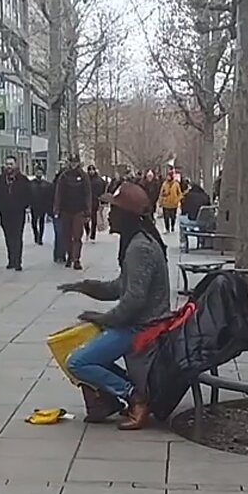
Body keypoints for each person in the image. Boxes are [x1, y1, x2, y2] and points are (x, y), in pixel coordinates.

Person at [59, 182, 170, 431]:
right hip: (137, 324)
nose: (108, 214)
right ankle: (114, 397)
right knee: (88, 352)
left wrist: (104, 319)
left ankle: (135, 397)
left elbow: (133, 301)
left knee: (77, 362)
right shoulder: (139, 242)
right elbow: (121, 286)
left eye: (114, 210)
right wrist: (86, 286)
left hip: (141, 328)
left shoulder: (139, 248)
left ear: (127, 216)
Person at [0, 156, 33, 271]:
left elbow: (29, 194)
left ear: (15, 165)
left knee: (17, 236)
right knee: (8, 237)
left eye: (11, 164)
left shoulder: (23, 180)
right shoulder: (0, 180)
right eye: (7, 164)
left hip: (18, 213)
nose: (9, 166)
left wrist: (23, 205)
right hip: (5, 213)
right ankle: (11, 260)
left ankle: (18, 261)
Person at [54, 154, 92, 270]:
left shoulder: (83, 176)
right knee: (66, 235)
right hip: (66, 210)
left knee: (77, 236)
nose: (73, 164)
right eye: (72, 162)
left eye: (75, 162)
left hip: (79, 210)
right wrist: (56, 209)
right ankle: (70, 255)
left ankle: (76, 259)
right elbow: (58, 193)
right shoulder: (64, 177)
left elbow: (88, 194)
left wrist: (88, 210)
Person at [28, 171, 53, 246]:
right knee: (34, 223)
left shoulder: (46, 184)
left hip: (43, 205)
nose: (39, 174)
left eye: (40, 173)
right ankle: (36, 235)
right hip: (34, 205)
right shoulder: (31, 184)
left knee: (41, 222)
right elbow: (28, 194)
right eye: (37, 172)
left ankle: (40, 238)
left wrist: (48, 207)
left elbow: (49, 196)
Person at [86, 164, 106, 241]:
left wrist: (101, 198)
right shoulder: (86, 179)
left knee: (94, 217)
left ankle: (93, 234)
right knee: (85, 218)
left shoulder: (98, 180)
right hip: (86, 201)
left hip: (94, 200)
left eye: (92, 170)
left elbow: (103, 188)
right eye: (90, 170)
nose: (91, 171)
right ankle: (87, 229)